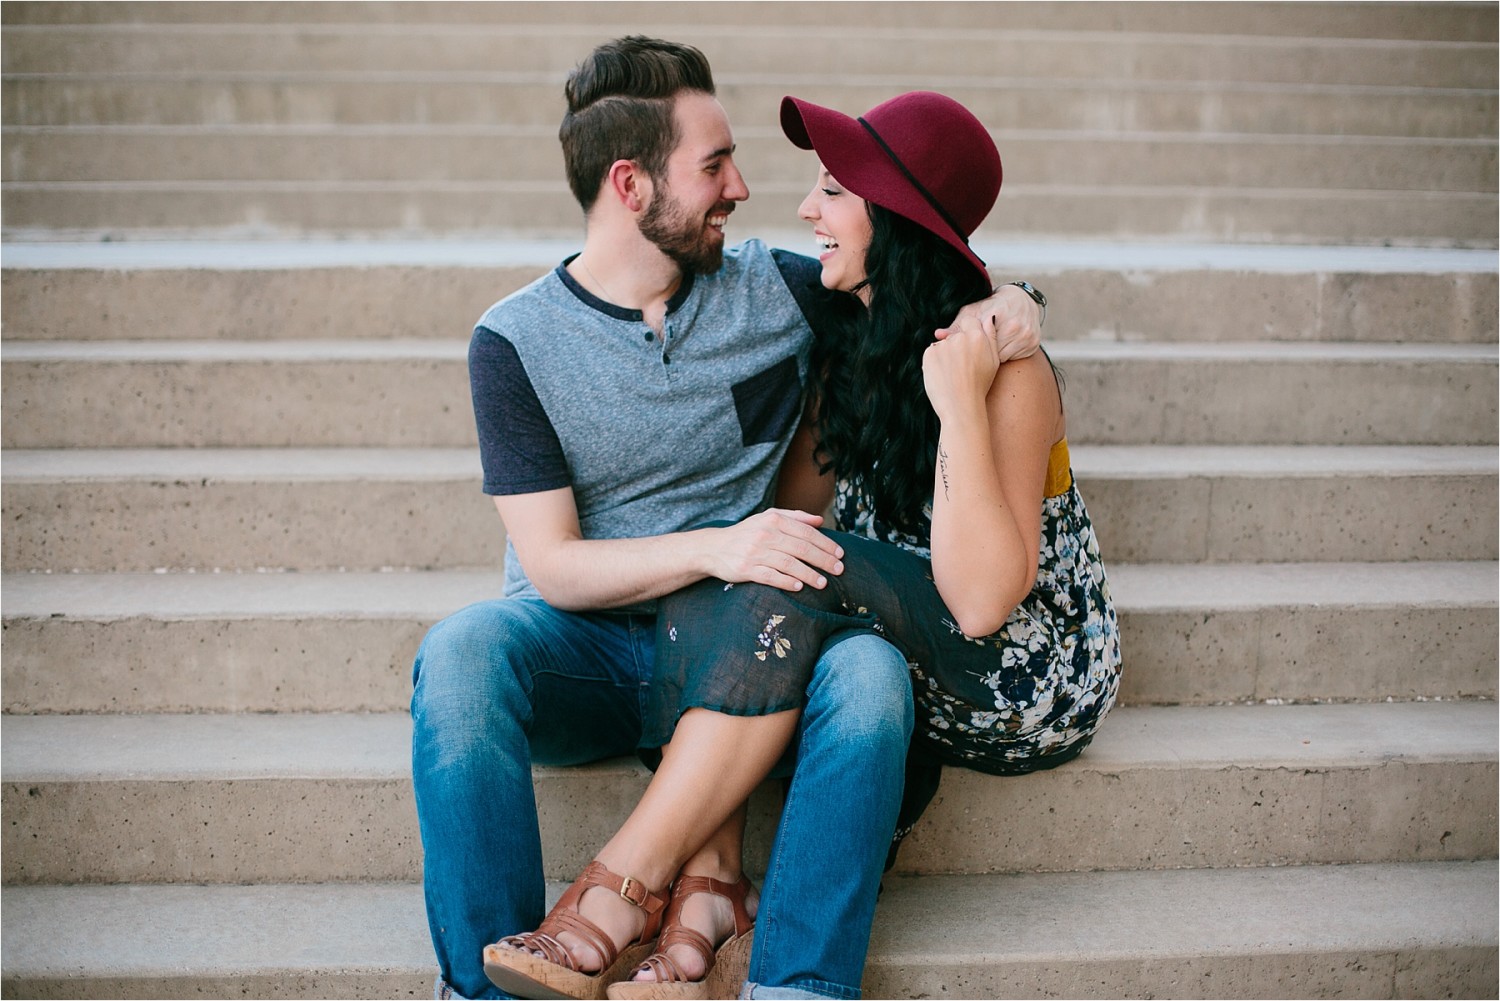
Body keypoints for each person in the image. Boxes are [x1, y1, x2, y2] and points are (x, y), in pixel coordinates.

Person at [410, 37, 1044, 1001]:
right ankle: (489, 989)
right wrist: (719, 543)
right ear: (630, 184)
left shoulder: (778, 291)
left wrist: (1016, 301)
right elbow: (555, 568)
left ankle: (792, 986)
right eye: (714, 166)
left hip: (754, 646)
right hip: (589, 648)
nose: (743, 187)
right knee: (459, 652)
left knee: (871, 674)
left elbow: (913, 278)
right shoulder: (514, 341)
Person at [610, 90, 1124, 994]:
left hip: (1026, 667)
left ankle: (627, 878)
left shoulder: (1007, 371)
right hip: (901, 625)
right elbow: (797, 512)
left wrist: (957, 398)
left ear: (899, 219)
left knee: (783, 565)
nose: (808, 210)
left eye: (835, 192)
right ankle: (714, 890)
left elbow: (978, 601)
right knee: (751, 555)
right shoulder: (850, 328)